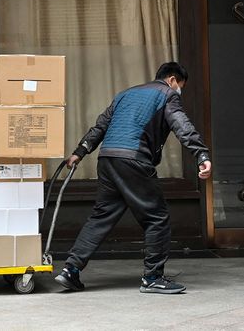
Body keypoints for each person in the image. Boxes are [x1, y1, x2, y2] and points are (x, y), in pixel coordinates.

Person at [54, 62, 212, 294]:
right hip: (133, 160)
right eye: (180, 86)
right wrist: (201, 154)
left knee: (101, 216)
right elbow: (182, 126)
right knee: (157, 217)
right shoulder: (168, 95)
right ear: (171, 80)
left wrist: (80, 152)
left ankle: (71, 270)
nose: (180, 91)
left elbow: (100, 126)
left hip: (107, 160)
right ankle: (152, 277)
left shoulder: (125, 94)